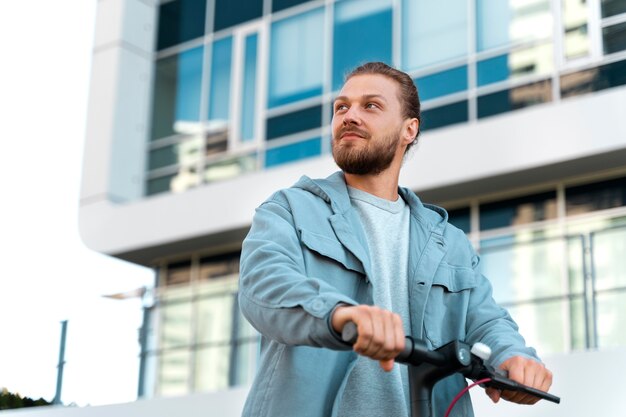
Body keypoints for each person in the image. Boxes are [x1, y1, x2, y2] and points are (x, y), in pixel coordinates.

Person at [238, 62, 553, 417]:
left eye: (370, 106)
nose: (349, 116)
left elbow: (487, 322)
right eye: (342, 107)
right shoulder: (289, 209)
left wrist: (514, 357)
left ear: (409, 129)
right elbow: (263, 285)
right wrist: (339, 314)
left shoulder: (449, 242)